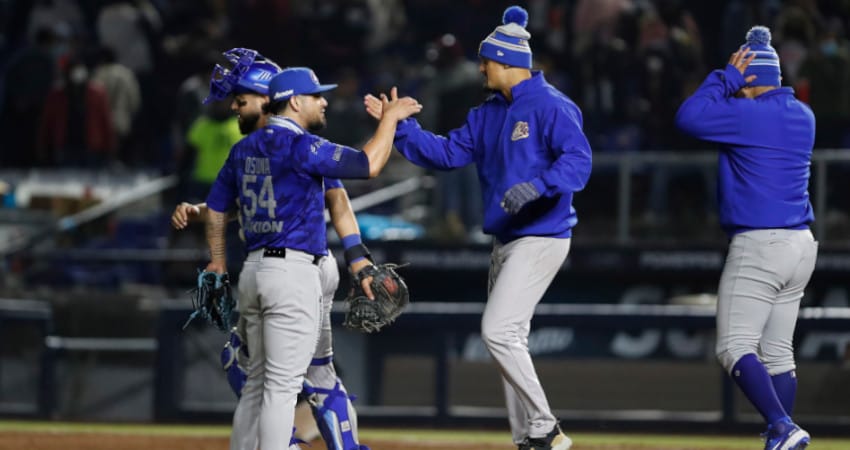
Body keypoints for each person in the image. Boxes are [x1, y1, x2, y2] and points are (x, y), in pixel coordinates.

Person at [364, 6, 591, 450]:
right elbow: (447, 154)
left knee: (498, 331)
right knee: (510, 340)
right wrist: (398, 127)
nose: (481, 66)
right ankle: (527, 438)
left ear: (508, 62)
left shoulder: (552, 105)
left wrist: (540, 186)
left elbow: (579, 163)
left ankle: (544, 427)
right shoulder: (487, 112)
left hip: (543, 236)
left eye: (486, 60)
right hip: (505, 240)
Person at [172, 48, 390, 450]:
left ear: (267, 98)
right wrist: (391, 121)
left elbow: (230, 206)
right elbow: (362, 170)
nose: (236, 108)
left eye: (241, 101)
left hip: (283, 267)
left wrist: (218, 258)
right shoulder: (300, 146)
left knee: (263, 380)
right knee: (285, 382)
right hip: (295, 268)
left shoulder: (253, 149)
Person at [675, 26, 816, 450]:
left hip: (761, 244)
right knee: (777, 353)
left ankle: (783, 427)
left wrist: (725, 79)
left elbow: (688, 117)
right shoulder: (801, 115)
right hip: (801, 246)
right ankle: (781, 436)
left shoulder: (749, 115)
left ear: (751, 81)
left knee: (734, 346)